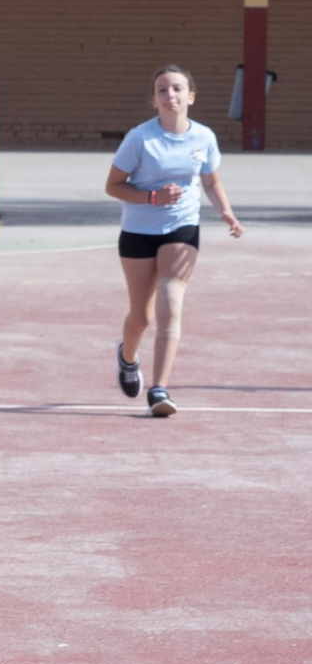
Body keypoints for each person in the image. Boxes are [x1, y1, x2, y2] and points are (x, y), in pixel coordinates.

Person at [105, 65, 243, 417]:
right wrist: (152, 198)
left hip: (182, 226)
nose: (171, 95)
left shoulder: (204, 138)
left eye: (178, 89)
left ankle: (159, 389)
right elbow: (113, 186)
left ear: (190, 97)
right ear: (154, 100)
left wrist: (225, 211)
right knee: (142, 316)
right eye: (163, 90)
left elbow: (211, 181)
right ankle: (127, 357)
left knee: (171, 299)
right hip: (138, 230)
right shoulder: (140, 138)